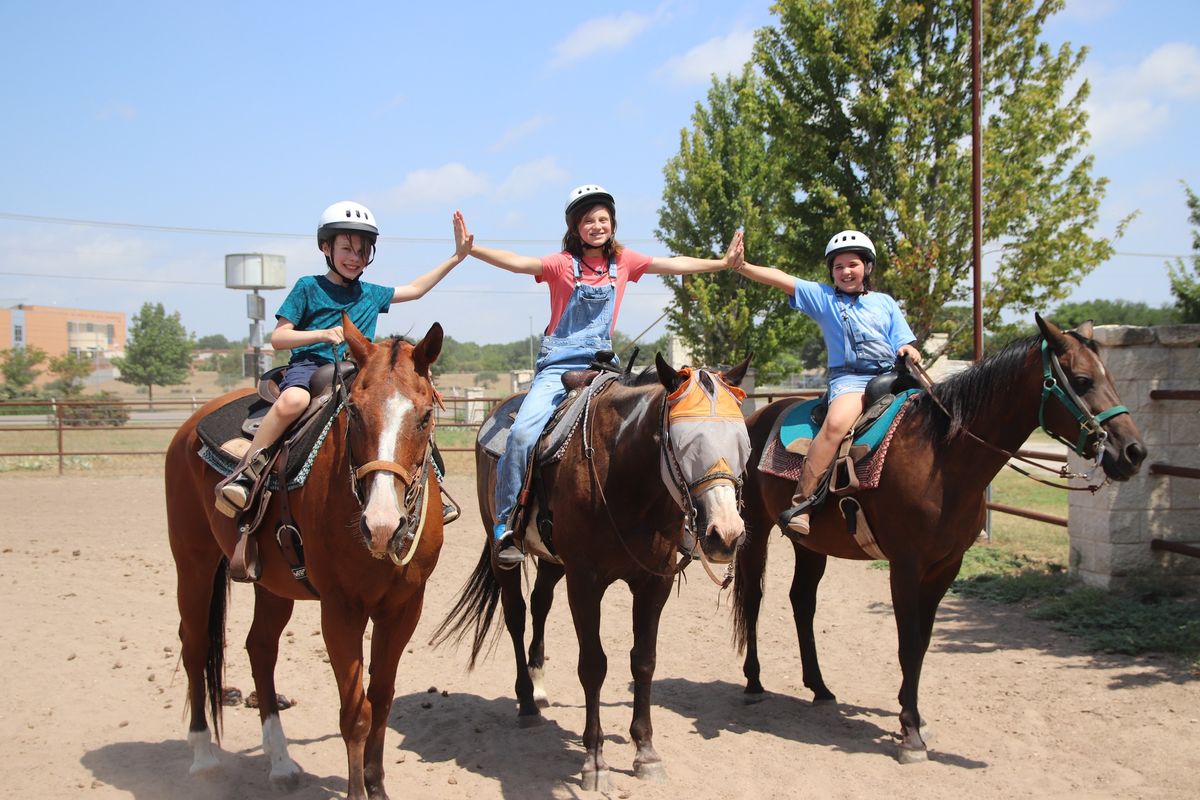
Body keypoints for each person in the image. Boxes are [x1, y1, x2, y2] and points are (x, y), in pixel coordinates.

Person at [464, 184, 744, 567]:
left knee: (649, 425)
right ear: (574, 227)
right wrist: (472, 250)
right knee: (524, 433)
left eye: (603, 219)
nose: (596, 226)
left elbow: (672, 263)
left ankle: (676, 521)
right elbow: (518, 263)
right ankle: (507, 523)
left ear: (612, 224)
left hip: (602, 366)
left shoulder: (625, 261)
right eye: (587, 220)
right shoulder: (562, 264)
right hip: (558, 366)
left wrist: (721, 263)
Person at [214, 201, 471, 516]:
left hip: (358, 373)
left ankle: (434, 487)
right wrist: (320, 334)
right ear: (326, 247)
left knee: (403, 413)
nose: (355, 258)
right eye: (347, 249)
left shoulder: (371, 293)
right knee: (292, 402)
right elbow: (279, 337)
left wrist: (457, 257)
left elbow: (416, 289)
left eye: (362, 252)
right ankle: (247, 473)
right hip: (310, 368)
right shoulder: (308, 287)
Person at [733, 229, 921, 538]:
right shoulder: (823, 298)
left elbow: (903, 339)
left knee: (942, 414)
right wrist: (743, 266)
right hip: (852, 380)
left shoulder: (885, 303)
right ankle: (802, 502)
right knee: (835, 425)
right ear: (831, 272)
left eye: (853, 264)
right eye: (839, 266)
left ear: (868, 267)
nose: (846, 271)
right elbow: (780, 278)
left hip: (893, 374)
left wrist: (910, 350)